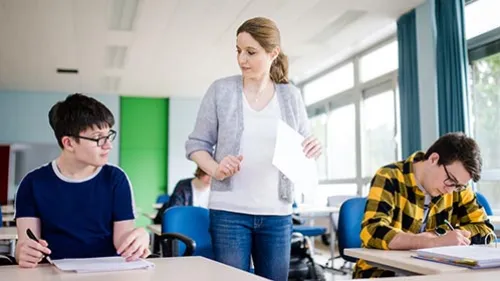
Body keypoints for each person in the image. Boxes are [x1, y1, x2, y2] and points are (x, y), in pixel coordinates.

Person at [185, 17, 322, 281]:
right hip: (229, 212)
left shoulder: (290, 95)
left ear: (273, 53)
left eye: (250, 52)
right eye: (238, 51)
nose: (241, 59)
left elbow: (305, 144)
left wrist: (314, 145)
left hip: (277, 214)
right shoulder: (221, 90)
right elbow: (196, 145)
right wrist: (216, 168)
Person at [14, 93, 150, 268]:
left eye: (109, 136)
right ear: (69, 143)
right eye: (98, 138)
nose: (108, 145)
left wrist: (138, 238)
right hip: (54, 273)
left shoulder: (116, 179)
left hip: (108, 272)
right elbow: (26, 243)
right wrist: (23, 252)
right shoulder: (32, 183)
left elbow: (122, 240)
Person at [354, 132, 495, 278]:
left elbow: (486, 231)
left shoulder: (457, 188)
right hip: (382, 273)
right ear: (433, 159)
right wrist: (433, 242)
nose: (450, 190)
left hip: (436, 273)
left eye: (458, 186)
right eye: (450, 180)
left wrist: (442, 236)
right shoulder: (389, 177)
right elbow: (372, 231)